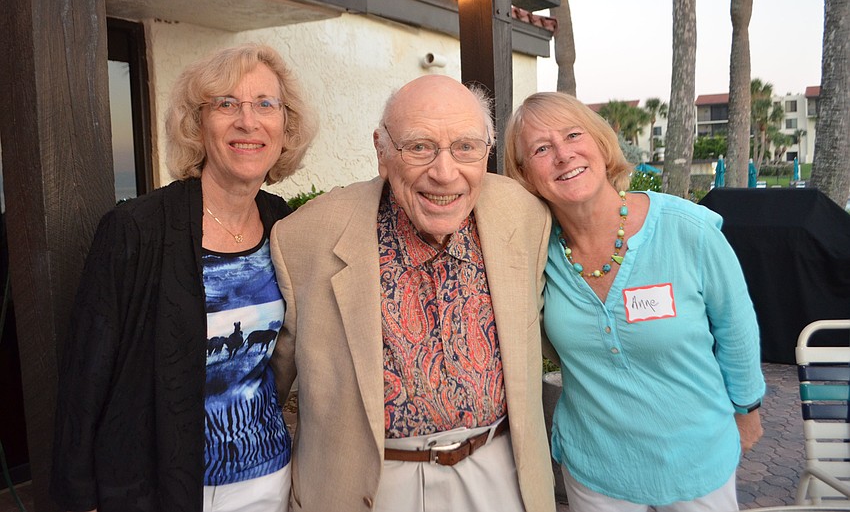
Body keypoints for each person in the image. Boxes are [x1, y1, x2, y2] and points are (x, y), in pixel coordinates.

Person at [269, 75, 556, 512]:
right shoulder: (306, 237)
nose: (444, 173)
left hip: (501, 475)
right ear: (382, 152)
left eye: (466, 147)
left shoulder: (524, 214)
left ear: (487, 151)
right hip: (370, 488)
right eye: (419, 147)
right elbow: (264, 388)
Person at [50, 43, 317, 512]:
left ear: (285, 126)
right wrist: (80, 497)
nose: (248, 121)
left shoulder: (285, 224)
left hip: (267, 479)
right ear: (197, 123)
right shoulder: (136, 229)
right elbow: (85, 379)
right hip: (157, 485)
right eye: (226, 104)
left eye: (265, 104)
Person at [503, 91, 765, 512]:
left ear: (601, 144)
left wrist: (747, 410)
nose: (564, 155)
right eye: (541, 149)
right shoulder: (538, 253)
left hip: (696, 463)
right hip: (596, 470)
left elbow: (736, 325)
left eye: (573, 135)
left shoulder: (687, 229)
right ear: (525, 175)